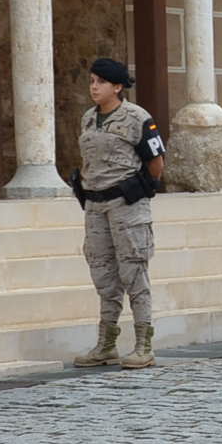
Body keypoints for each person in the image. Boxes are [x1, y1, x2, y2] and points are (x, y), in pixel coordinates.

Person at [67, 59, 163, 366]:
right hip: (95, 206)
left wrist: (137, 190)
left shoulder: (137, 117)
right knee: (103, 274)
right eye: (92, 81)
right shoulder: (87, 118)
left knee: (134, 271)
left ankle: (143, 344)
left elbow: (156, 164)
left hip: (127, 205)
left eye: (101, 82)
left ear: (118, 87)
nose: (94, 87)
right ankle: (106, 343)